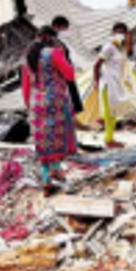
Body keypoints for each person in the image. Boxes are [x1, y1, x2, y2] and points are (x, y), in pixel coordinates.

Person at [21, 26, 77, 196]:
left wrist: (28, 105)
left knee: (44, 140)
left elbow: (25, 86)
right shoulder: (53, 53)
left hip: (37, 102)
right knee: (57, 138)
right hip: (55, 101)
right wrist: (63, 56)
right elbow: (70, 75)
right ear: (51, 38)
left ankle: (47, 179)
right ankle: (56, 171)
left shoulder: (27, 56)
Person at [93, 22, 134, 149]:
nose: (119, 34)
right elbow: (97, 64)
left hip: (116, 83)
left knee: (113, 113)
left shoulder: (120, 48)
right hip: (108, 83)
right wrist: (96, 81)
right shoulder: (109, 47)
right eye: (117, 31)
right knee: (110, 114)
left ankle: (110, 137)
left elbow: (128, 56)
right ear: (112, 33)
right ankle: (108, 140)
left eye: (122, 32)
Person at [51, 15, 84, 114]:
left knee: (72, 97)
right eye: (64, 28)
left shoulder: (58, 41)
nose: (65, 31)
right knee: (68, 98)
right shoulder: (53, 42)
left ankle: (74, 116)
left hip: (66, 72)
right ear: (56, 26)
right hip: (62, 74)